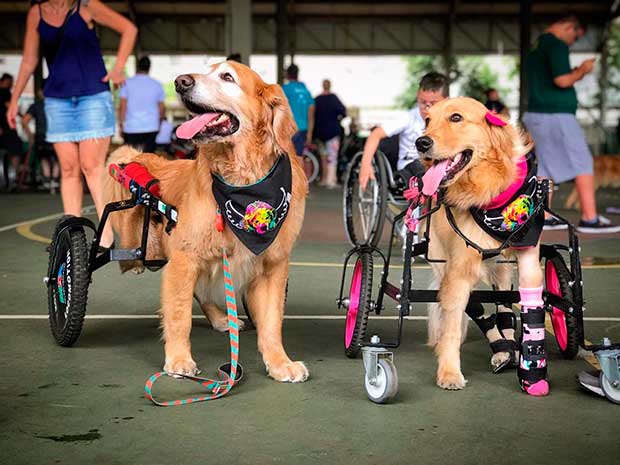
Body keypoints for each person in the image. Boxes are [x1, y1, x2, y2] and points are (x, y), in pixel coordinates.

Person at [7, 0, 137, 248]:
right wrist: (14, 101)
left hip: (93, 97)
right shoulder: (37, 13)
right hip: (57, 100)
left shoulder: (86, 5)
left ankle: (106, 233)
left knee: (91, 165)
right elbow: (28, 61)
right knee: (68, 169)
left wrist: (119, 67)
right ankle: (73, 236)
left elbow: (129, 29)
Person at [523, 13, 620, 233]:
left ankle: (543, 216)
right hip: (556, 115)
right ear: (568, 27)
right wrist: (582, 70)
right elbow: (562, 80)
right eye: (575, 36)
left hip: (537, 115)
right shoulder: (556, 45)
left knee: (545, 166)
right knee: (583, 161)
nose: (573, 41)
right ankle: (590, 219)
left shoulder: (537, 47)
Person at [359, 72, 449, 190]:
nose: (427, 108)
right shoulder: (408, 118)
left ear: (446, 100)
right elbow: (375, 134)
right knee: (422, 169)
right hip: (412, 166)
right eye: (422, 102)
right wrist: (365, 164)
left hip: (439, 165)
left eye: (433, 103)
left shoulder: (451, 122)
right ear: (417, 96)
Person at [119, 56, 165, 153]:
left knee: (130, 160)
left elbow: (123, 106)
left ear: (138, 66)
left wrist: (121, 124)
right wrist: (159, 124)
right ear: (149, 67)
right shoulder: (157, 84)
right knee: (148, 160)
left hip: (131, 127)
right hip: (151, 126)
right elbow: (161, 108)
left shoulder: (126, 83)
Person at [22, 86, 60, 190]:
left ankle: (48, 181)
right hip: (56, 136)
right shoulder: (58, 104)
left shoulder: (36, 105)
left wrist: (30, 135)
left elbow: (24, 120)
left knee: (44, 159)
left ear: (39, 92)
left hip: (41, 137)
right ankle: (54, 181)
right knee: (57, 159)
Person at [314, 79, 346, 188]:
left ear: (323, 86)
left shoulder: (317, 99)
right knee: (332, 157)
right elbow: (343, 111)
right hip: (332, 132)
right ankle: (331, 180)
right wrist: (338, 119)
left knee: (323, 157)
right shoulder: (334, 99)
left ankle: (323, 179)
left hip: (319, 133)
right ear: (330, 86)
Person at [282, 64, 314, 158]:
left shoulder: (284, 89)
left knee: (287, 159)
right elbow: (311, 115)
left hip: (289, 129)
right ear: (297, 74)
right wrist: (309, 135)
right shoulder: (306, 92)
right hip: (302, 130)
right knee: (299, 157)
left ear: (287, 74)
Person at [0, 73, 25, 181]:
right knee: (16, 149)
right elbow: (11, 107)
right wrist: (23, 116)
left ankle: (12, 176)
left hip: (5, 128)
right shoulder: (4, 92)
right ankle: (14, 176)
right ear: (4, 81)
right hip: (6, 128)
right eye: (10, 82)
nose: (11, 84)